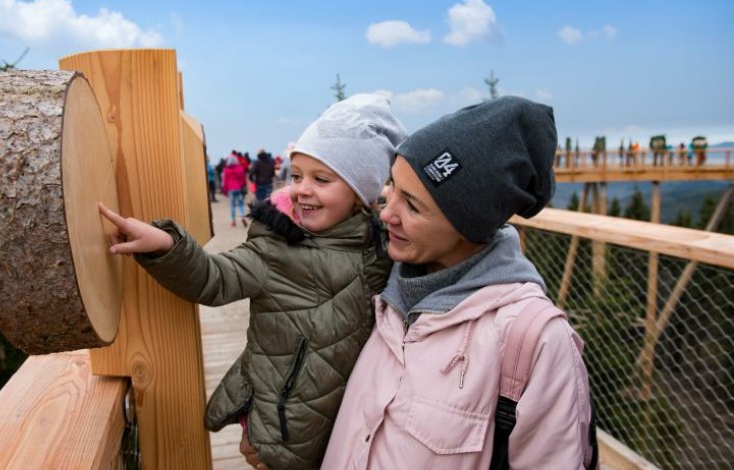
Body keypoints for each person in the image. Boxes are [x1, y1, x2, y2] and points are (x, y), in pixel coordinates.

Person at [242, 96, 596, 469]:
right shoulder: (378, 282)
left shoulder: (532, 339)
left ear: (469, 225)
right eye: (392, 187)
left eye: (412, 205)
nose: (386, 212)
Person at [99, 93, 407, 469]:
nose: (301, 189)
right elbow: (215, 279)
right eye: (296, 176)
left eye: (321, 179)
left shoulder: (384, 247)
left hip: (351, 430)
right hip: (282, 430)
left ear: (361, 193)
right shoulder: (275, 246)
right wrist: (166, 245)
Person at [221, 155, 248, 227]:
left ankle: (233, 221)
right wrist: (243, 185)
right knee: (240, 204)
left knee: (232, 205)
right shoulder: (240, 168)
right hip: (238, 188)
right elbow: (243, 180)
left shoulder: (226, 170)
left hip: (230, 189)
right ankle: (242, 217)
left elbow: (225, 181)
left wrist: (224, 190)